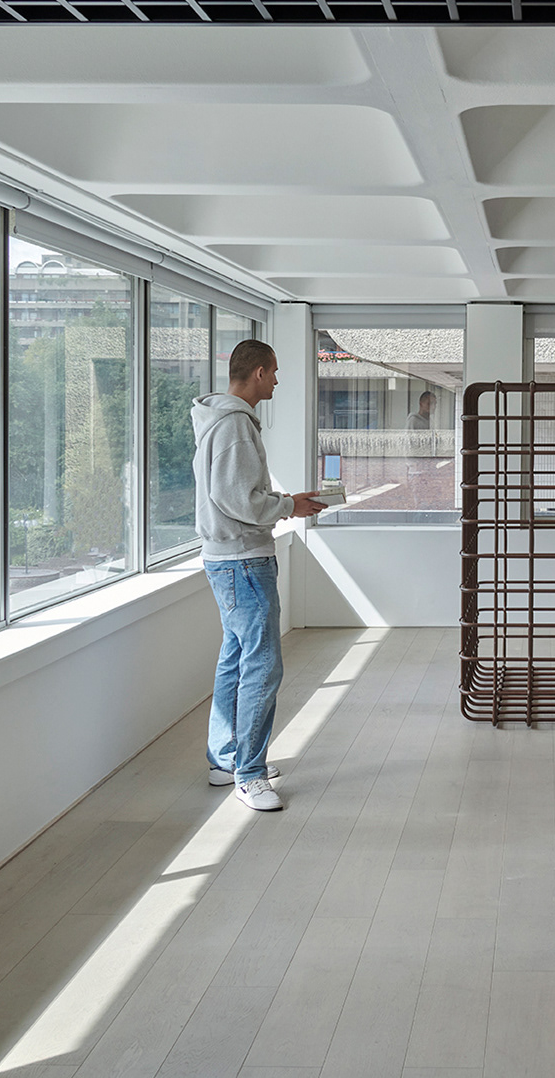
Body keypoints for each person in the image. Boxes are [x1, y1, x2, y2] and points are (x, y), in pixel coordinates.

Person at [191, 340, 324, 811]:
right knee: (263, 666)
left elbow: (234, 494)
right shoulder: (233, 425)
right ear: (260, 373)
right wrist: (289, 506)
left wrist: (287, 503)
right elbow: (238, 499)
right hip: (243, 560)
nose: (277, 381)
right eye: (275, 372)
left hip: (228, 558)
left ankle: (226, 760)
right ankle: (249, 774)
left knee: (236, 658)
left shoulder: (221, 421)